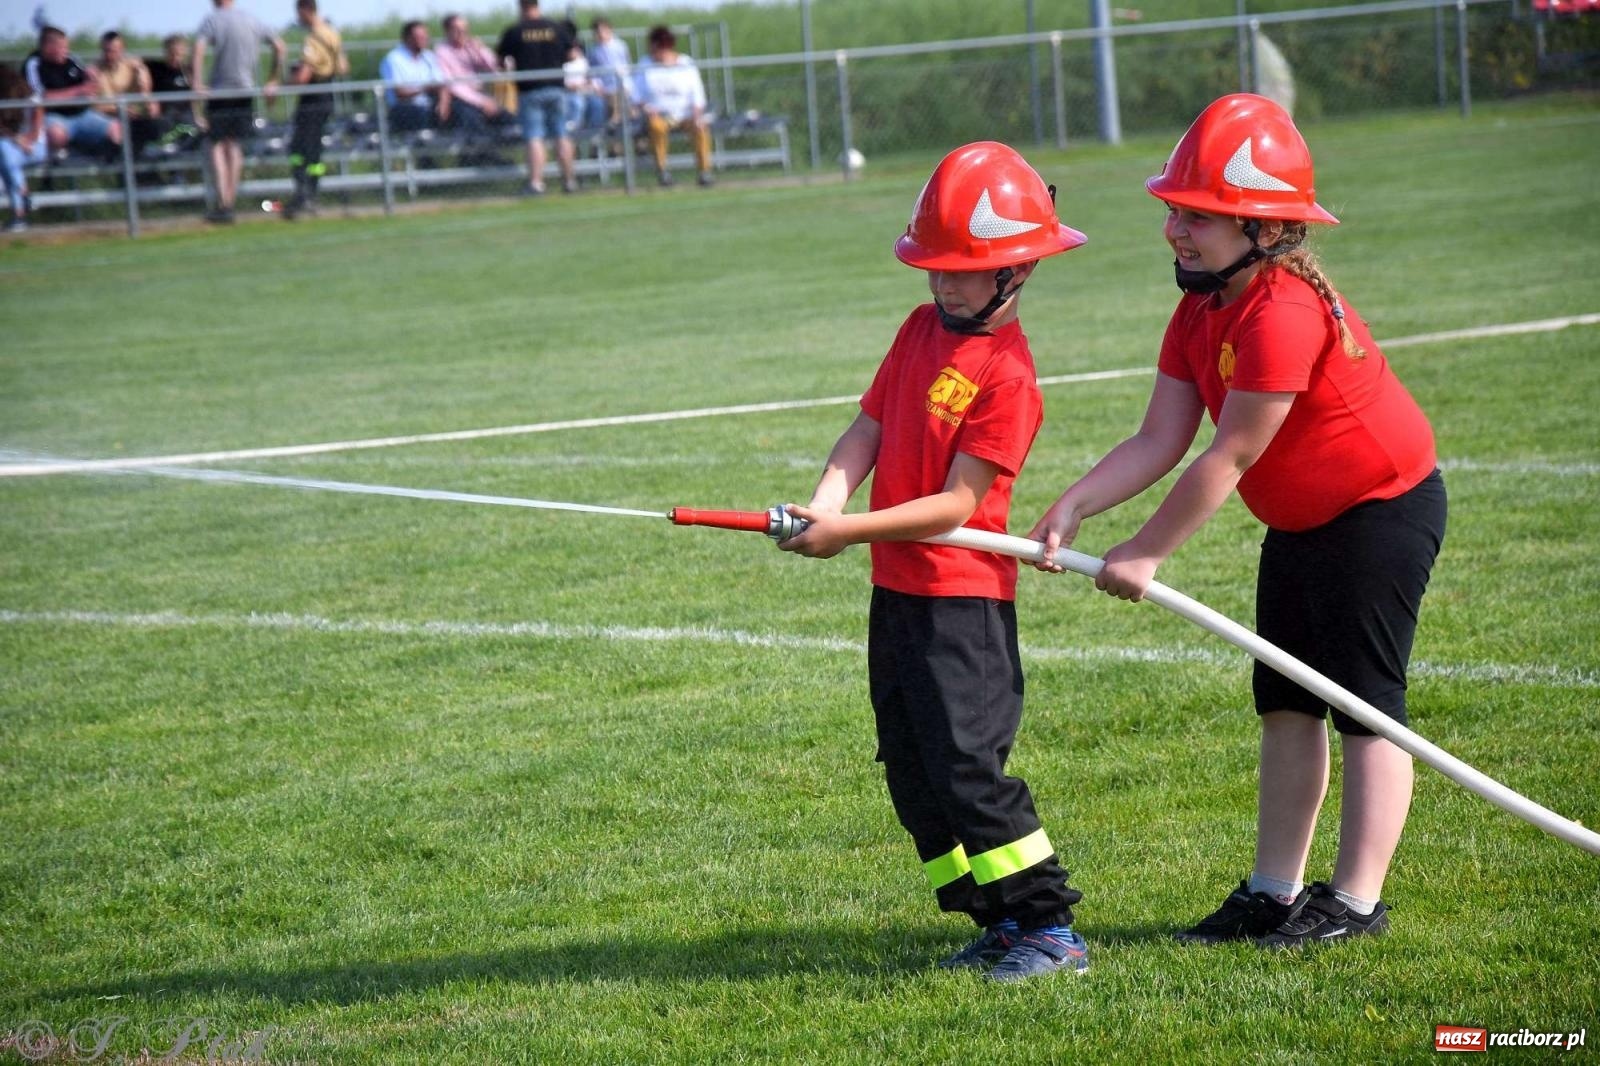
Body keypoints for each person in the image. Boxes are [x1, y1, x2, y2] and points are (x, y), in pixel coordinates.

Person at [1028, 94, 1446, 948]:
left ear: (1265, 228)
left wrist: (1145, 552)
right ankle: (1272, 892)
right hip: (1299, 524)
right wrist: (1076, 501)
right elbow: (1159, 437)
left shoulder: (1283, 311)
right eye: (1177, 211)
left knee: (1366, 705)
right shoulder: (1199, 310)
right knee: (1287, 701)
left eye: (1202, 217)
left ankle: (1356, 902)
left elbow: (1229, 455)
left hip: (1379, 511)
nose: (1178, 231)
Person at [778, 142, 1091, 981]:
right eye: (936, 268)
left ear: (1016, 269)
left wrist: (851, 531)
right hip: (899, 594)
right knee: (914, 771)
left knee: (967, 768)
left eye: (964, 270)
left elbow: (959, 506)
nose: (944, 285)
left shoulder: (1008, 373)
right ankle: (993, 921)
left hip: (963, 603)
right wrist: (828, 502)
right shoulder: (918, 330)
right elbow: (868, 429)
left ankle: (1049, 926)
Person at [194, 0, 285, 224]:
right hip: (245, 91)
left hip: (219, 92)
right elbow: (280, 47)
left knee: (216, 146)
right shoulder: (252, 20)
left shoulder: (212, 20)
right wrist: (273, 79)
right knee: (233, 146)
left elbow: (198, 50)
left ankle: (223, 204)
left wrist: (196, 81)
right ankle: (229, 204)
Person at [496, 0, 574, 196]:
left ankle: (536, 183)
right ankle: (569, 181)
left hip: (530, 91)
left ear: (521, 6)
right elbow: (572, 54)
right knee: (561, 134)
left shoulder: (514, 31)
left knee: (534, 137)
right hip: (556, 88)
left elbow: (501, 61)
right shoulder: (556, 28)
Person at [283, 0, 347, 220]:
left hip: (312, 99)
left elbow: (302, 78)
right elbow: (343, 67)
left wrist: (283, 83)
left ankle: (304, 194)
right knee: (315, 151)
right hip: (327, 96)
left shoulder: (313, 38)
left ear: (306, 10)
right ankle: (311, 193)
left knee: (297, 149)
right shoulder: (332, 33)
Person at [630, 25, 711, 188]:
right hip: (660, 116)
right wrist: (646, 108)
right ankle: (663, 172)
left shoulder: (685, 63)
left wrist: (697, 115)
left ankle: (704, 172)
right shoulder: (645, 64)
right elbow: (635, 94)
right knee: (656, 127)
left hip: (686, 115)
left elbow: (697, 94)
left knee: (701, 129)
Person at [24, 26, 122, 156]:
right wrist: (78, 91)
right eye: (62, 47)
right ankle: (57, 162)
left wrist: (92, 77)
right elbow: (40, 97)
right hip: (53, 116)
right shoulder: (34, 64)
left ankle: (109, 164)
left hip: (82, 114)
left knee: (116, 129)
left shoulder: (71, 59)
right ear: (48, 47)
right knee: (56, 135)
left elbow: (88, 82)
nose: (66, 51)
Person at [92, 31, 159, 154]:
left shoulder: (133, 66)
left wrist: (141, 71)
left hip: (133, 119)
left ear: (122, 49)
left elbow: (145, 91)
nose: (110, 55)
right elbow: (94, 107)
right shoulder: (95, 72)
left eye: (114, 50)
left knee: (154, 125)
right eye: (106, 50)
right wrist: (119, 110)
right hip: (107, 121)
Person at [433, 14, 502, 131]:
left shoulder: (470, 47)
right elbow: (453, 85)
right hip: (460, 98)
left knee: (506, 114)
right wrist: (480, 102)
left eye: (465, 30)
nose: (462, 33)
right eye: (457, 30)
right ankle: (476, 146)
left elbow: (494, 68)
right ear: (447, 31)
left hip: (479, 94)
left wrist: (480, 50)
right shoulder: (441, 52)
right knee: (472, 117)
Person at [380, 21, 451, 133]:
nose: (424, 40)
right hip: (403, 108)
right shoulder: (393, 59)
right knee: (421, 113)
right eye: (419, 37)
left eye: (425, 37)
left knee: (459, 109)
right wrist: (424, 89)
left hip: (429, 103)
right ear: (407, 38)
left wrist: (443, 103)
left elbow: (442, 85)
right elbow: (399, 93)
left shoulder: (429, 57)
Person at [1, 63, 47, 232]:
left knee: (5, 155)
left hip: (35, 147)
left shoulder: (29, 96)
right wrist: (16, 139)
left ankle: (19, 213)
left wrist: (27, 140)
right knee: (6, 157)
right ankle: (23, 198)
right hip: (12, 149)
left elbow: (37, 122)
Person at [586, 17, 629, 124]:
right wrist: (597, 86)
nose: (601, 34)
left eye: (604, 30)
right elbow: (592, 71)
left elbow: (625, 64)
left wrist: (626, 84)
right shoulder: (594, 50)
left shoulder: (620, 46)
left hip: (620, 85)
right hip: (604, 88)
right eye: (598, 32)